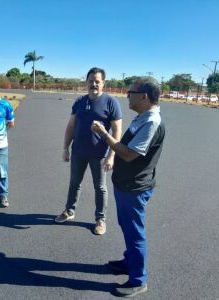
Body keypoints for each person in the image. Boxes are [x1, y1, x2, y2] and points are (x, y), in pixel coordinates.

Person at [91, 76, 165, 297]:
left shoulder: (151, 122)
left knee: (135, 233)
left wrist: (104, 135)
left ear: (144, 96)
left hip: (135, 188)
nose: (127, 95)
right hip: (126, 185)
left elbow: (129, 154)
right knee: (127, 227)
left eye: (131, 92)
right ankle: (129, 262)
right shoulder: (142, 117)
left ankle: (138, 279)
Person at [54, 67, 122, 235]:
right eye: (91, 81)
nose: (94, 84)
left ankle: (100, 219)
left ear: (103, 83)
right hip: (78, 152)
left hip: (99, 154)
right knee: (74, 183)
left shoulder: (111, 102)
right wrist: (65, 148)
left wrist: (112, 156)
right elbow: (71, 126)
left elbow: (117, 131)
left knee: (100, 187)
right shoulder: (79, 102)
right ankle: (69, 211)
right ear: (86, 82)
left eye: (97, 81)